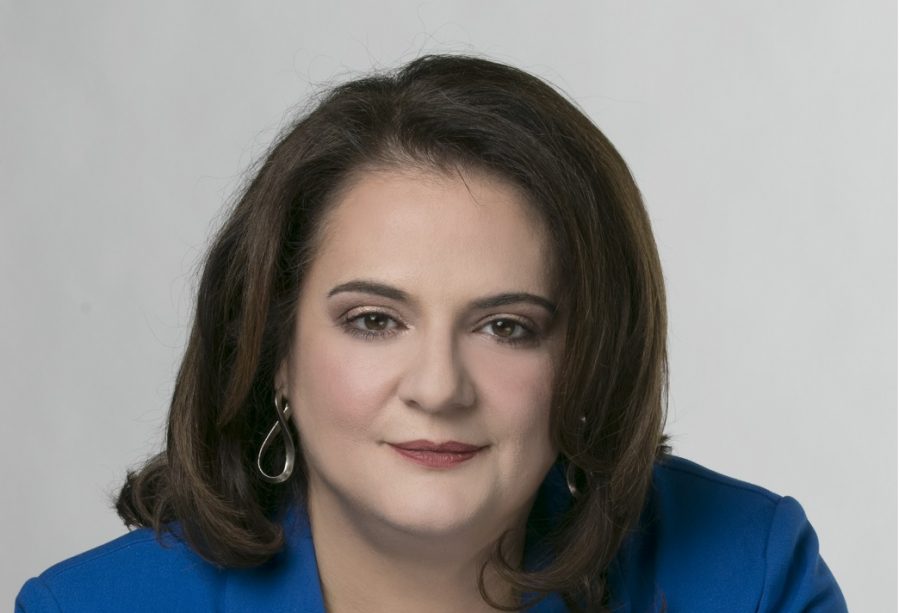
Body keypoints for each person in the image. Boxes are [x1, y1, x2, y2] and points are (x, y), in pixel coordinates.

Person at [15, 54, 847, 613]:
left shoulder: (747, 575)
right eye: (374, 321)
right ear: (273, 350)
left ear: (588, 357)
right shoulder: (87, 608)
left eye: (506, 326)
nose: (439, 386)